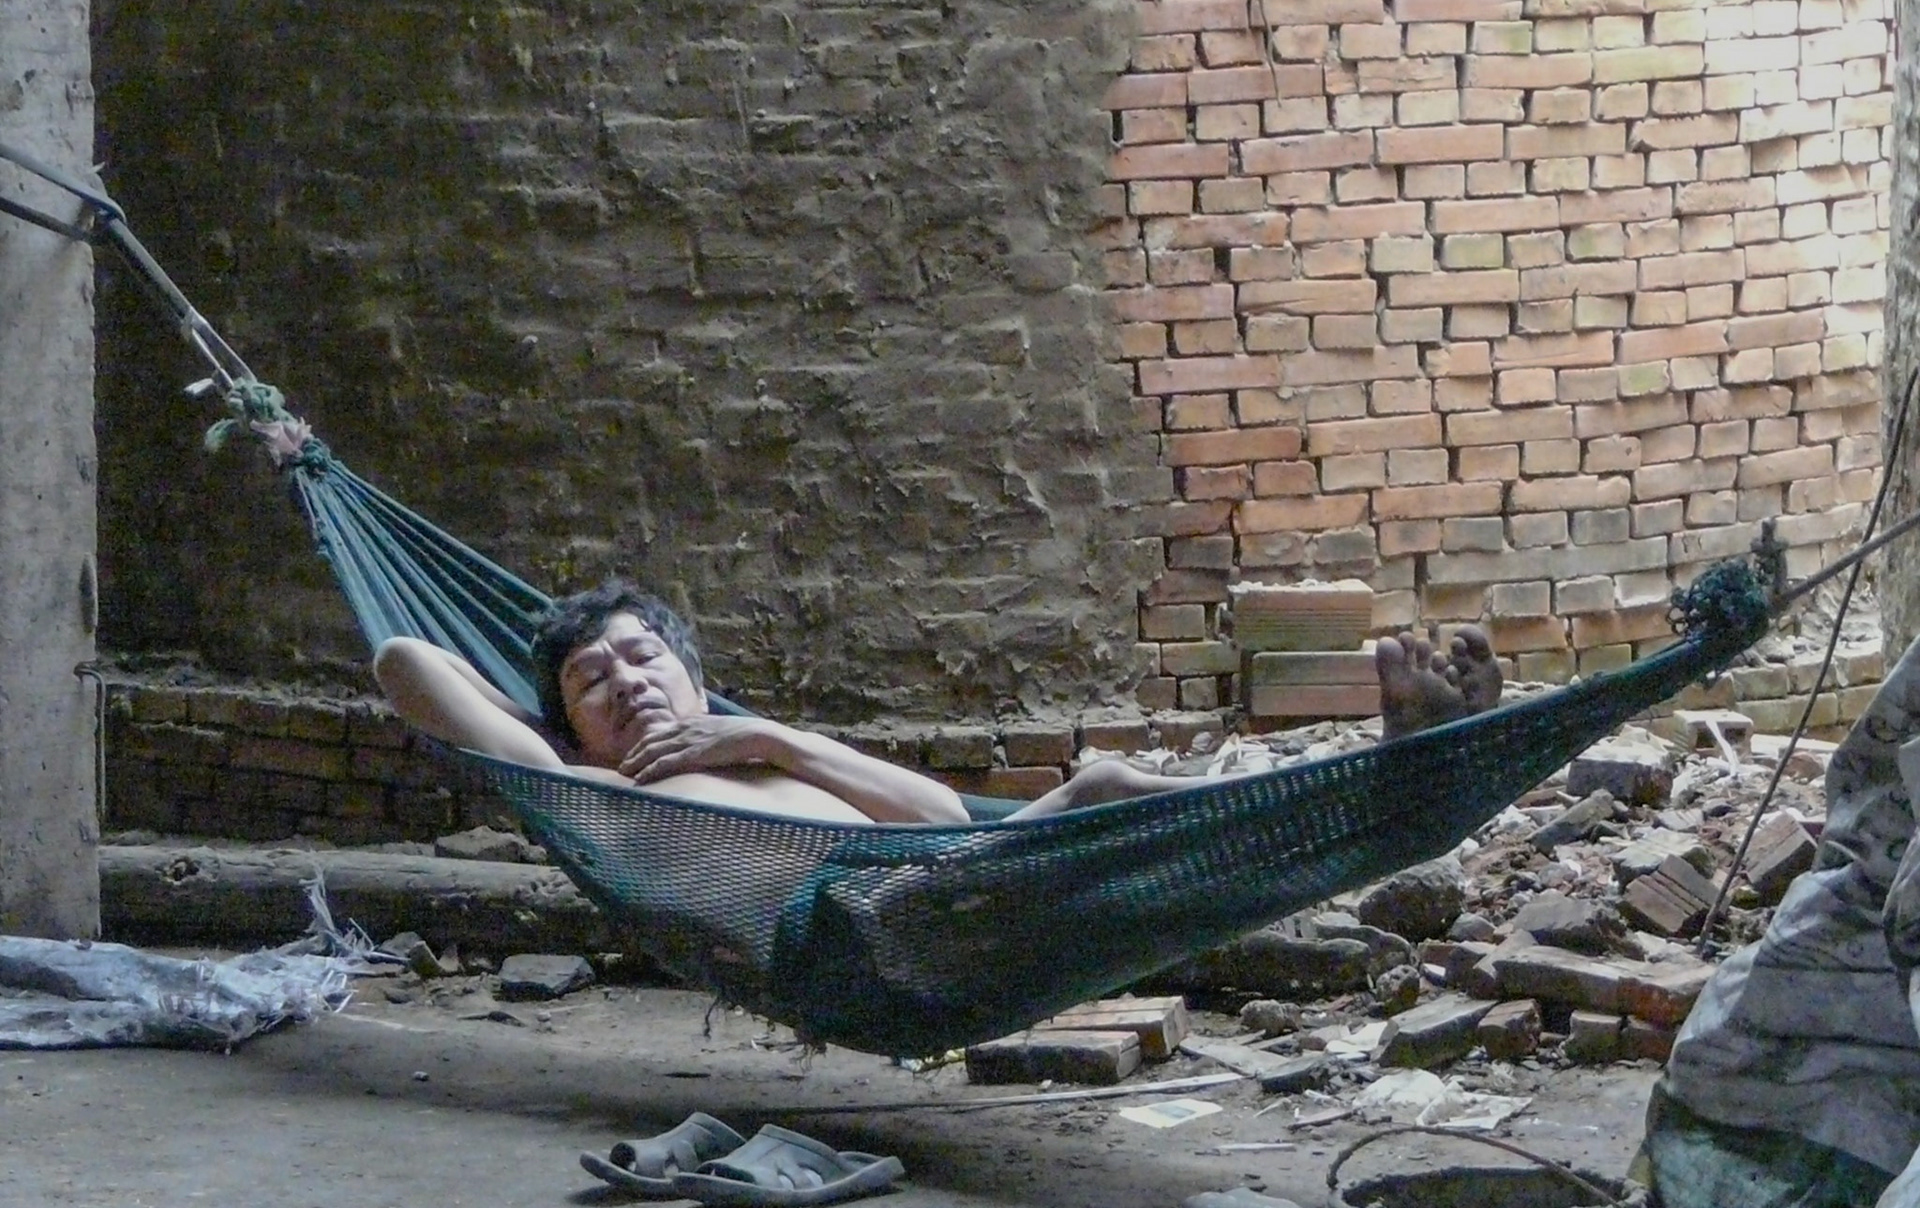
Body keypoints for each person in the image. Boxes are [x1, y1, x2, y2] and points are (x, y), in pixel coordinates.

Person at [373, 580, 1502, 826]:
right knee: (1105, 785)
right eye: (593, 678)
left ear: (693, 673)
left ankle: (1390, 776)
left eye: (641, 657)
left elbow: (945, 817)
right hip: (878, 939)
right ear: (563, 722)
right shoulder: (582, 790)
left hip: (938, 879)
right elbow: (407, 659)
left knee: (1105, 782)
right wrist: (551, 727)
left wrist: (768, 734)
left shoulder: (761, 749)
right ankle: (1393, 779)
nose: (625, 679)